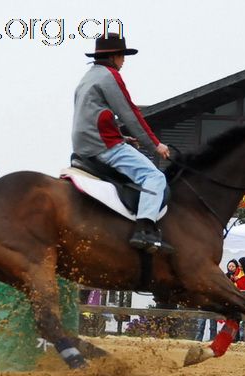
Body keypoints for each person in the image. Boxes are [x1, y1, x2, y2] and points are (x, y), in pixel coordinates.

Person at [72, 32, 173, 254]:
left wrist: (122, 136)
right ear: (114, 56)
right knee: (154, 177)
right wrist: (155, 144)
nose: (124, 60)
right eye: (123, 55)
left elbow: (94, 115)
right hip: (103, 145)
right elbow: (131, 113)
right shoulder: (110, 77)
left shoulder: (88, 77)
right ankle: (144, 228)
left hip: (83, 144)